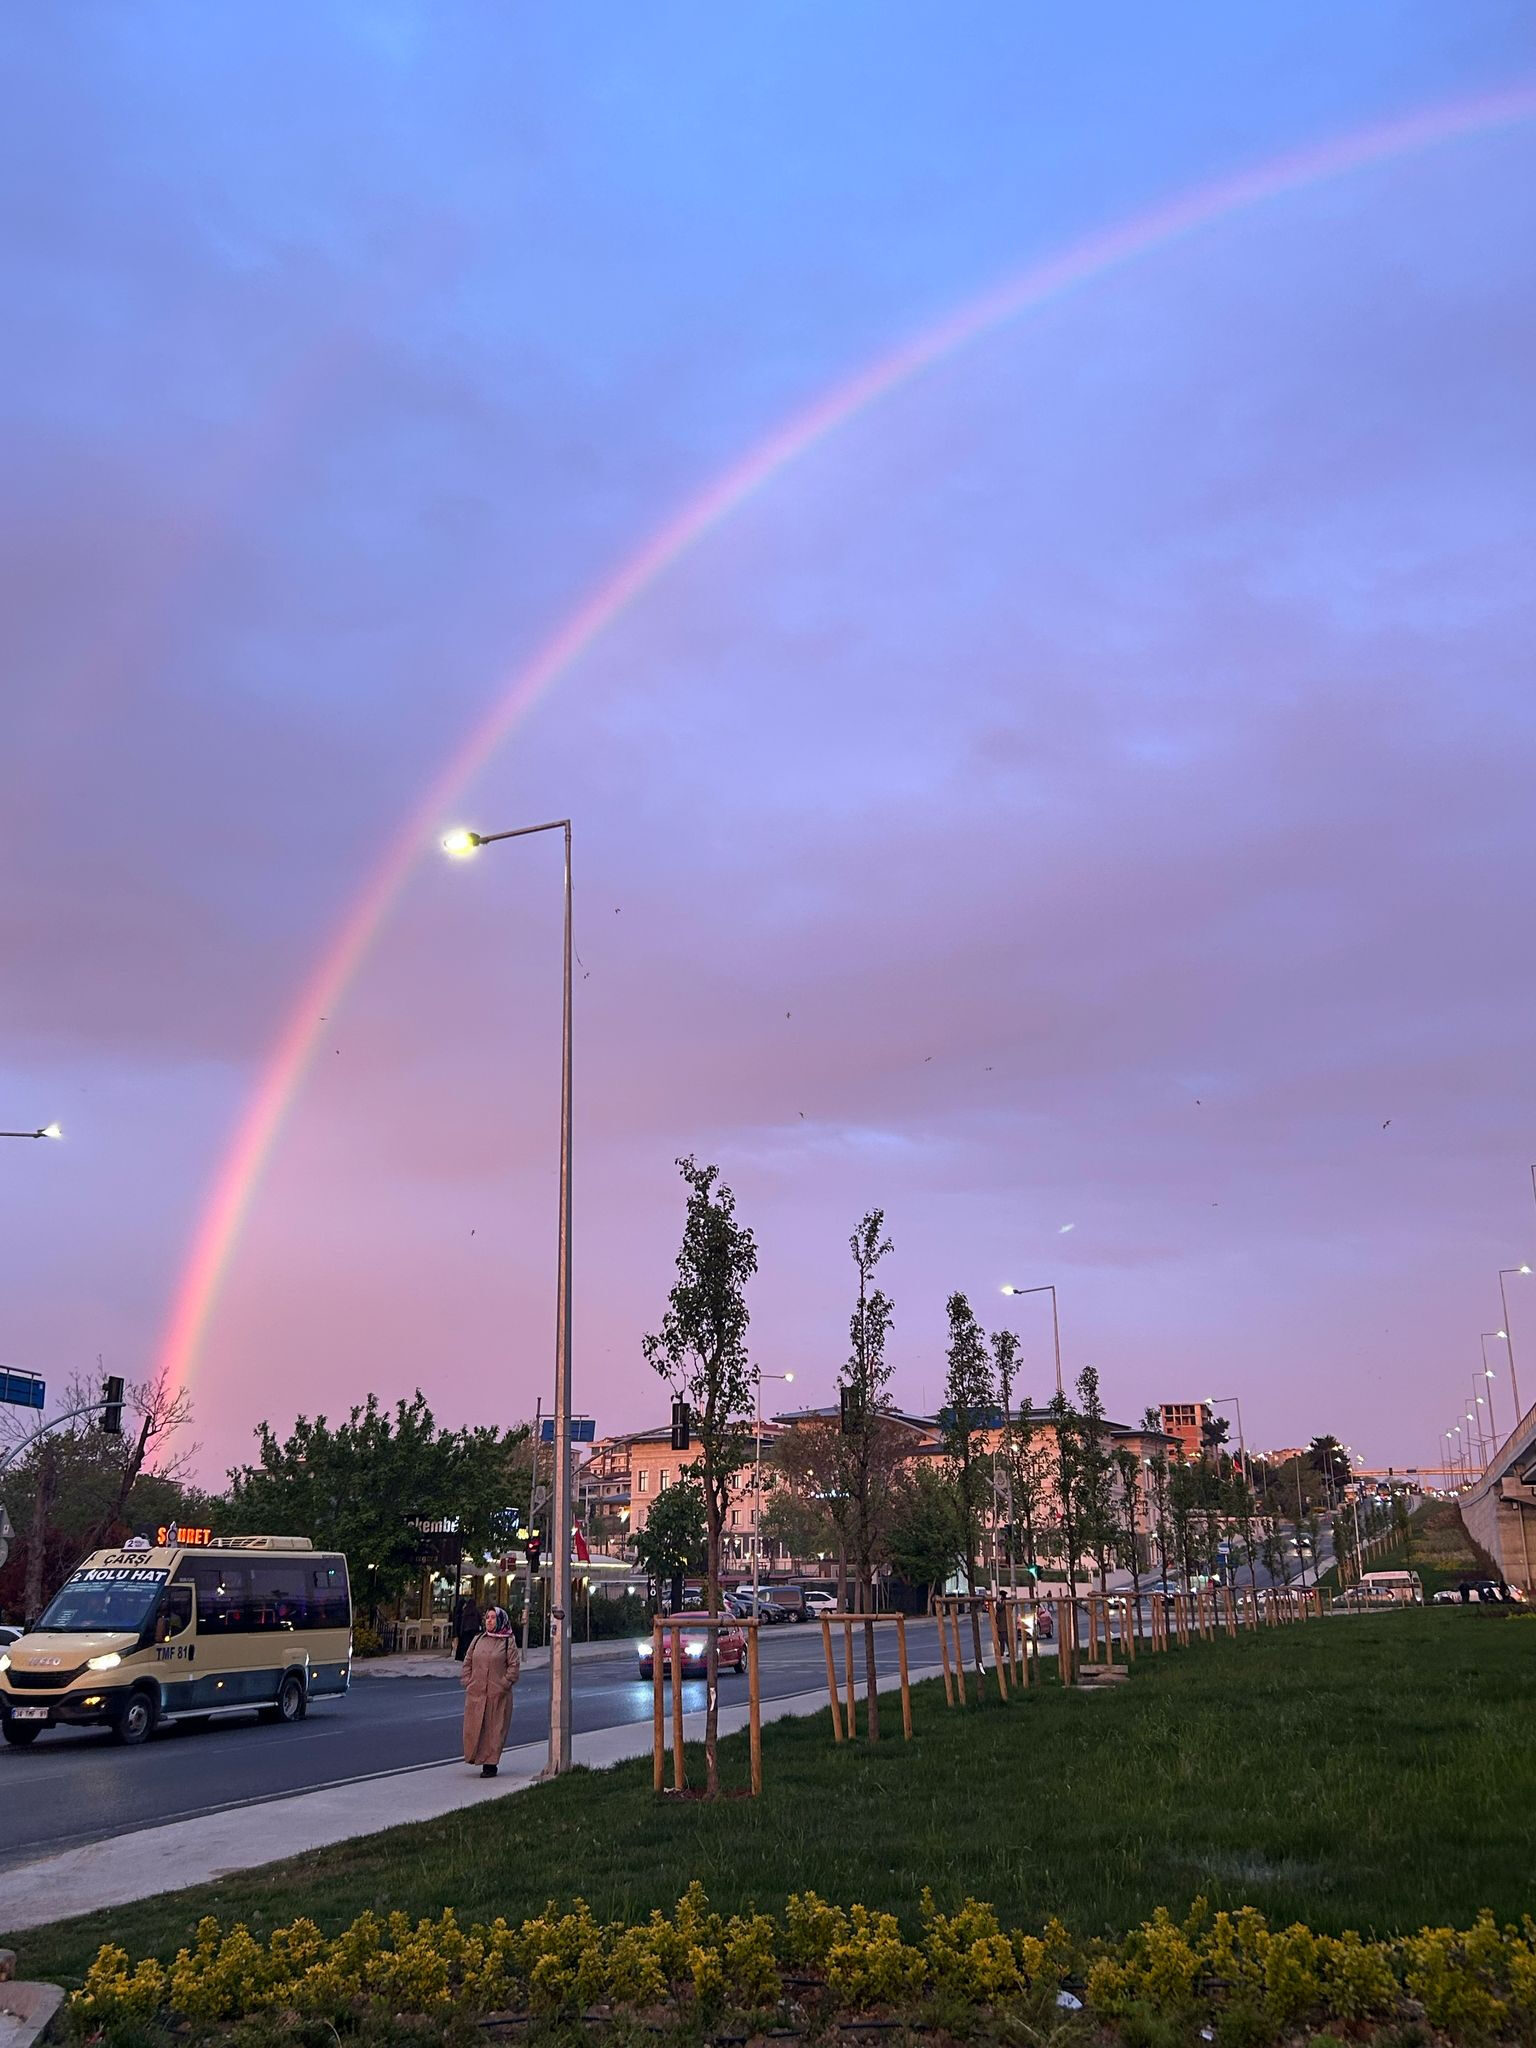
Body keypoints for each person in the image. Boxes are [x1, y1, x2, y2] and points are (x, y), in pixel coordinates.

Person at [460, 1605, 520, 1775]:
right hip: (477, 1693)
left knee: (494, 1730)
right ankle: (475, 1757)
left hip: (497, 1695)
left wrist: (503, 1684)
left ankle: (490, 1764)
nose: (490, 1621)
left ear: (500, 1620)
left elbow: (513, 1666)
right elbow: (468, 1661)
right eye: (487, 1617)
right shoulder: (478, 1639)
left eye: (493, 1618)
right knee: (474, 1727)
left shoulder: (507, 1641)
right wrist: (468, 1681)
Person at [453, 1590, 482, 1661]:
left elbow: (462, 1622)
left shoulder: (465, 1612)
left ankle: (465, 1656)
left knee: (465, 1645)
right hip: (474, 1631)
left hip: (465, 1631)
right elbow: (480, 1620)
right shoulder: (475, 1611)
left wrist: (459, 1632)